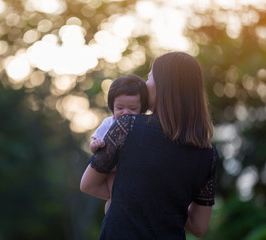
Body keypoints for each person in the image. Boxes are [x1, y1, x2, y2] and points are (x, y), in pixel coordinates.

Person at [80, 51, 219, 239]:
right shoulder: (208, 155)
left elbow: (88, 185)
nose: (145, 84)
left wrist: (133, 198)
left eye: (150, 77)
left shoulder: (127, 126)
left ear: (164, 87)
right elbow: (199, 226)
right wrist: (166, 203)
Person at [90, 74, 148, 214]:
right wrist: (96, 145)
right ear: (112, 107)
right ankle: (111, 217)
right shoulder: (109, 123)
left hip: (133, 170)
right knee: (114, 195)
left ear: (142, 109)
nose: (125, 112)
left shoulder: (143, 126)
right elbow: (94, 145)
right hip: (112, 170)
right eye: (120, 108)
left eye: (132, 109)